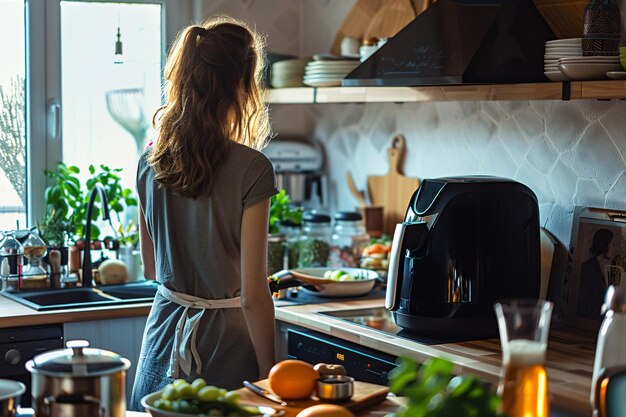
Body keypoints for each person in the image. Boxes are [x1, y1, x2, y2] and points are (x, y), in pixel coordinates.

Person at [129, 16, 277, 410]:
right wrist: (270, 380)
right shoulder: (253, 168)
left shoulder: (149, 162)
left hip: (162, 340)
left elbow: (149, 268)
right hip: (224, 350)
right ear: (244, 85)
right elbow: (253, 295)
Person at [577, 228, 614, 320]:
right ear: (605, 245)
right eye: (612, 244)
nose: (615, 247)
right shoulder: (588, 268)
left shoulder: (605, 268)